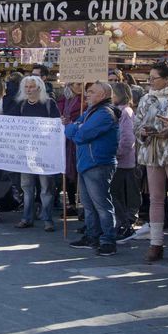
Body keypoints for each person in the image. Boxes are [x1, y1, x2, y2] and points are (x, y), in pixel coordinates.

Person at [135, 63, 168, 262]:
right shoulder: (146, 98)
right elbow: (137, 124)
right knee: (156, 198)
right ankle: (155, 243)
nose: (150, 82)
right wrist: (142, 132)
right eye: (149, 78)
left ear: (167, 79)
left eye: (154, 78)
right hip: (151, 151)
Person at [68, 80, 120, 253]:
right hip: (87, 163)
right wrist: (76, 127)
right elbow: (71, 130)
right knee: (89, 205)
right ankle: (93, 236)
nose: (87, 94)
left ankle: (108, 240)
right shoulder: (92, 111)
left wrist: (76, 127)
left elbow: (81, 135)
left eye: (91, 92)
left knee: (101, 205)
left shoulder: (104, 113)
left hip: (98, 163)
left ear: (103, 95)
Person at [2, 75, 58, 230]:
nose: (28, 90)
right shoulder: (21, 105)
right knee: (27, 187)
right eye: (26, 87)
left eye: (32, 87)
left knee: (46, 188)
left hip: (45, 153)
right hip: (27, 153)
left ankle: (47, 219)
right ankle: (27, 217)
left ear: (39, 88)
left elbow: (57, 126)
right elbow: (12, 124)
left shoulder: (49, 104)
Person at [110, 81, 142, 243]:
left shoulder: (125, 113)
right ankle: (121, 223)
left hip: (123, 161)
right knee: (116, 194)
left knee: (116, 194)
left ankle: (124, 224)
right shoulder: (119, 111)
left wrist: (117, 153)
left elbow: (128, 138)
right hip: (120, 160)